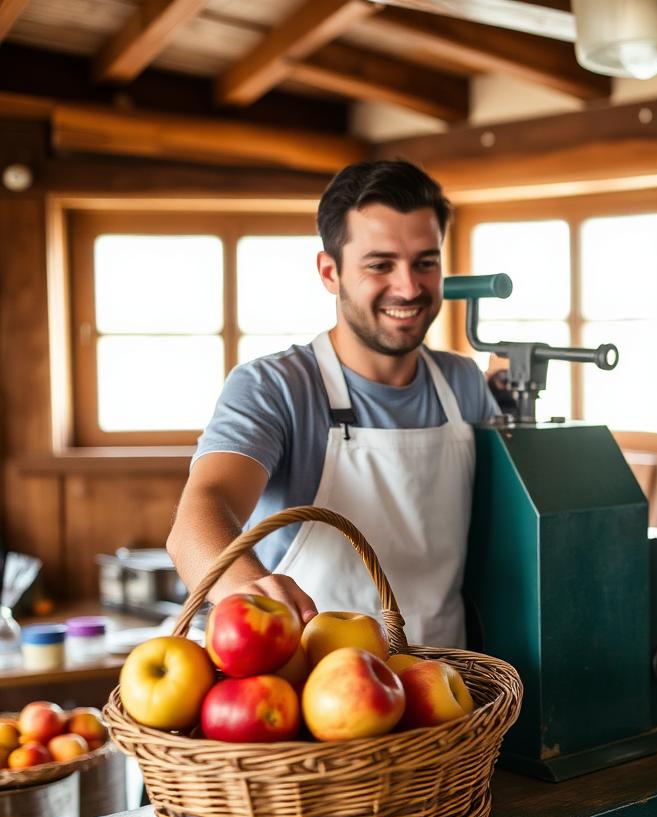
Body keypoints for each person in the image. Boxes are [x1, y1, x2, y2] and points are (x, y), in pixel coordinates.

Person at [167, 160, 498, 646]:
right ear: (330, 272)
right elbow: (200, 514)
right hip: (308, 679)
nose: (409, 287)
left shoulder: (464, 383)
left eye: (425, 262)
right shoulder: (274, 387)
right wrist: (249, 589)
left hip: (448, 677)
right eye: (380, 265)